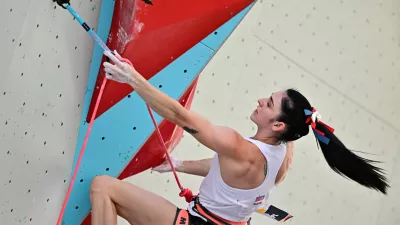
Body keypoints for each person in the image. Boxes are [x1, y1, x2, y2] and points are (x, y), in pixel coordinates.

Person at [89, 51, 389, 225]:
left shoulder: (240, 147)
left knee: (103, 188)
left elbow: (180, 116)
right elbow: (228, 172)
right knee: (118, 204)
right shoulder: (284, 155)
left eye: (269, 104)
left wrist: (133, 79)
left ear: (278, 126)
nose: (260, 101)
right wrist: (180, 164)